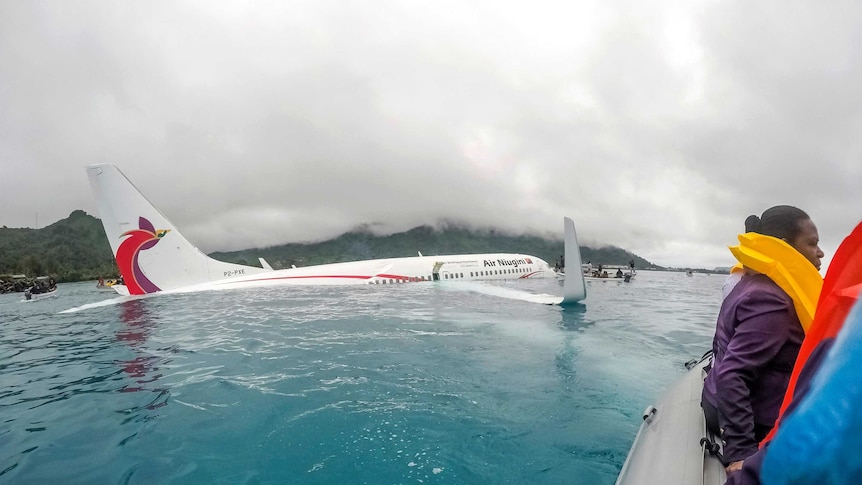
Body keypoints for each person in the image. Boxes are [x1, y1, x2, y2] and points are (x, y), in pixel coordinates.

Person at [701, 205, 825, 477]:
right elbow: (733, 374)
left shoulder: (751, 283)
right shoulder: (773, 300)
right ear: (785, 246)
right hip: (749, 421)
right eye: (813, 243)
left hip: (721, 401)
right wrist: (741, 453)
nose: (820, 253)